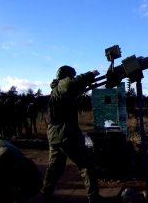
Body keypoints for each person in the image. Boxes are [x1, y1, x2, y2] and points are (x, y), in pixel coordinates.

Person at [43, 65, 113, 203]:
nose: (73, 78)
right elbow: (72, 83)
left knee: (55, 168)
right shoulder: (62, 84)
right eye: (72, 76)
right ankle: (94, 198)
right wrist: (91, 74)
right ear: (66, 76)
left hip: (55, 134)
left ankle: (47, 195)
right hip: (65, 133)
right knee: (87, 166)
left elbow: (64, 108)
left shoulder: (57, 92)